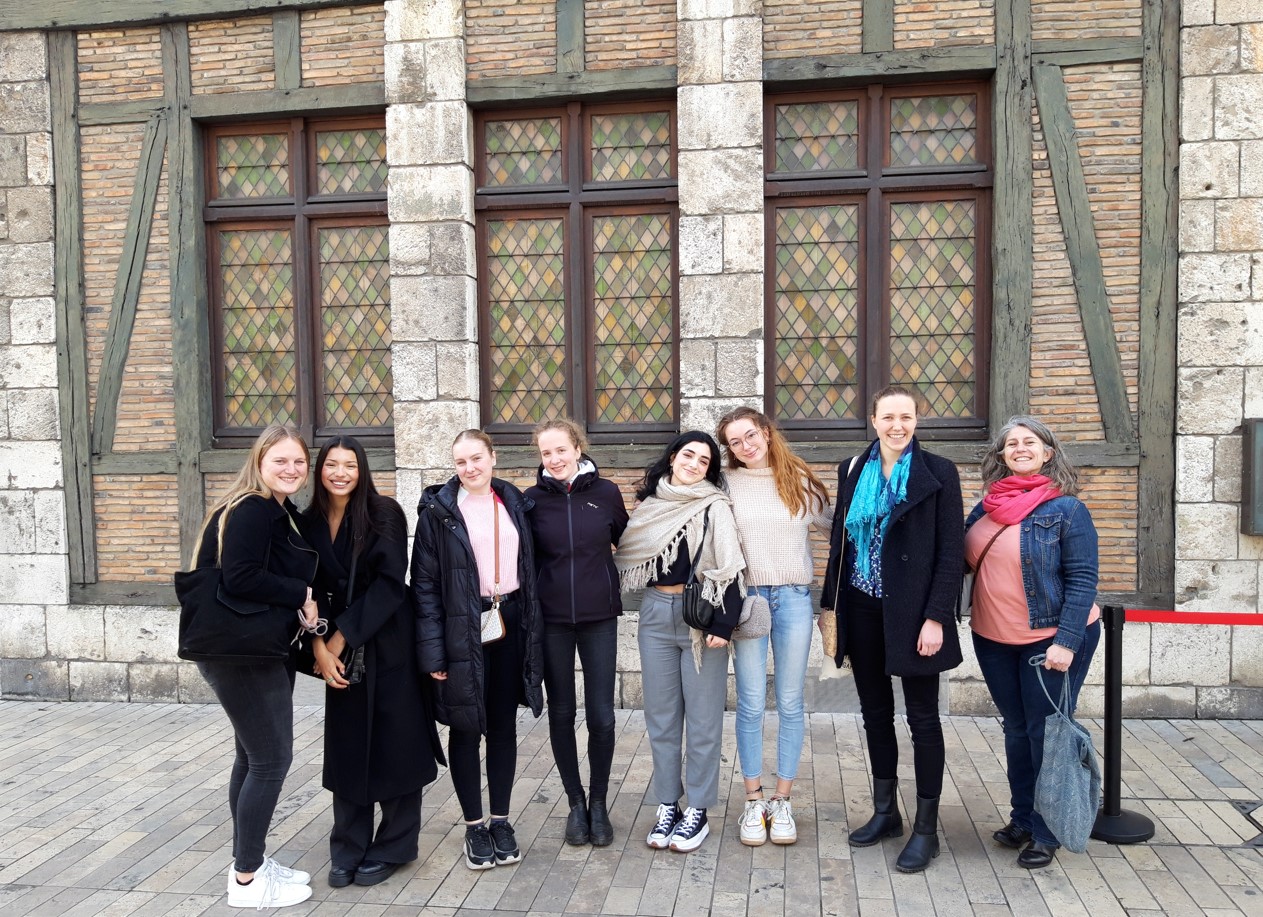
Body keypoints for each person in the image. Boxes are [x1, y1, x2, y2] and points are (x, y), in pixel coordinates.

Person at [821, 385, 964, 873]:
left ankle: (926, 829)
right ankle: (886, 814)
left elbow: (951, 552)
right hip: (861, 607)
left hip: (915, 613)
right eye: (888, 417)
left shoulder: (939, 471)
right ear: (874, 420)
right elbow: (841, 544)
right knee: (875, 715)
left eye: (906, 416)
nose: (897, 425)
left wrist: (937, 617)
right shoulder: (852, 469)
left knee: (923, 719)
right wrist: (831, 606)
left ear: (916, 420)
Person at [302, 436, 444, 888]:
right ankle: (348, 846)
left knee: (396, 743)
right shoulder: (308, 521)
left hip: (388, 639)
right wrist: (319, 647)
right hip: (334, 645)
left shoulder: (384, 512)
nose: (340, 473)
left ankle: (394, 846)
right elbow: (307, 589)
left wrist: (339, 638)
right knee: (347, 745)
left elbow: (389, 583)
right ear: (320, 470)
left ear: (362, 470)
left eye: (350, 465)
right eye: (331, 464)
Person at [190, 423, 320, 909]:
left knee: (251, 758)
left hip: (253, 650)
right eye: (280, 460)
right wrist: (302, 593)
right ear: (259, 461)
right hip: (242, 653)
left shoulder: (272, 510)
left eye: (298, 461)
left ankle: (251, 862)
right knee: (271, 761)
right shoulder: (252, 509)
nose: (291, 469)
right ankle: (246, 880)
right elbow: (241, 577)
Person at [966, 416, 1102, 869]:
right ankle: (1023, 817)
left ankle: (1047, 832)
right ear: (1001, 456)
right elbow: (958, 559)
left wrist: (1067, 641)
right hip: (993, 638)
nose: (1020, 448)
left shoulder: (1067, 510)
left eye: (1030, 442)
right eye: (1011, 443)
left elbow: (1082, 579)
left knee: (1046, 733)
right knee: (1017, 729)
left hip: (1050, 640)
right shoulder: (986, 508)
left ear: (1048, 453)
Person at [411, 429, 544, 871]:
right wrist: (433, 654)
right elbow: (424, 588)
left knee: (503, 726)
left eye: (476, 458)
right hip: (461, 629)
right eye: (461, 461)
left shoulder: (515, 504)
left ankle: (501, 821)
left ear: (493, 457)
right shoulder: (438, 513)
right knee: (465, 726)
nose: (470, 468)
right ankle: (474, 825)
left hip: (510, 622)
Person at [615, 431, 745, 853]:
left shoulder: (714, 506)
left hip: (700, 618)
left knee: (704, 722)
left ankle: (698, 810)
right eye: (688, 455)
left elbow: (730, 566)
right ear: (673, 457)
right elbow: (626, 551)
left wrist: (723, 626)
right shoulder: (650, 505)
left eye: (704, 461)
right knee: (662, 719)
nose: (694, 464)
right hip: (654, 614)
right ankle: (668, 804)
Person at [717, 407, 832, 847]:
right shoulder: (725, 485)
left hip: (795, 599)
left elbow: (839, 531)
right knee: (749, 703)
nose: (745, 446)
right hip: (748, 602)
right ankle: (753, 800)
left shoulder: (799, 480)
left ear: (766, 433)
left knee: (789, 701)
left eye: (750, 435)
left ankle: (782, 800)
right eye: (735, 442)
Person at [524, 418, 629, 847]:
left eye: (561, 450)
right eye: (546, 453)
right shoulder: (530, 500)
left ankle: (599, 802)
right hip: (551, 622)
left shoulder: (606, 493)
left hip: (598, 618)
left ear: (577, 448)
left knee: (601, 715)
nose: (554, 459)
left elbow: (629, 541)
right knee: (562, 713)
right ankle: (575, 803)